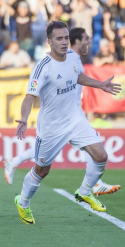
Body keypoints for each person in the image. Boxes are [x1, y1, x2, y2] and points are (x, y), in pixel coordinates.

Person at [13, 21, 121, 224]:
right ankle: (24, 202)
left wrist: (100, 85)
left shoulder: (72, 57)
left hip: (74, 119)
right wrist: (25, 118)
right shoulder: (42, 67)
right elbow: (29, 96)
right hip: (51, 127)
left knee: (101, 156)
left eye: (66, 38)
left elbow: (77, 76)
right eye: (59, 39)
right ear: (49, 41)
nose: (64, 42)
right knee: (42, 170)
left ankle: (85, 191)